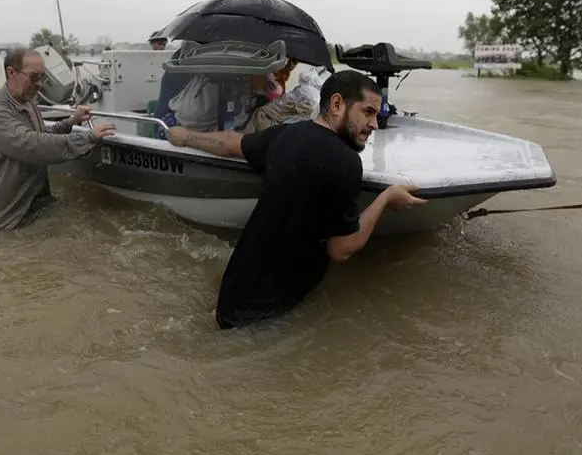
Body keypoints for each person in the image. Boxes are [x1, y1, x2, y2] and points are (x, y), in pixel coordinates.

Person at [166, 69, 427, 329]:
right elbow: (341, 249)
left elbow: (232, 143)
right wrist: (385, 198)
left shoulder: (286, 134)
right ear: (337, 104)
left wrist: (187, 136)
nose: (375, 125)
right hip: (269, 310)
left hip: (233, 291)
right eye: (367, 112)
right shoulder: (346, 162)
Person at [0, 48, 116, 231]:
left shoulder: (29, 102)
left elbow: (42, 134)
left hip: (32, 203)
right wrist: (87, 138)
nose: (39, 84)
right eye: (34, 77)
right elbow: (32, 146)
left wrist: (71, 121)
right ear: (11, 72)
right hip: (3, 218)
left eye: (43, 77)